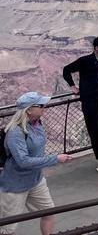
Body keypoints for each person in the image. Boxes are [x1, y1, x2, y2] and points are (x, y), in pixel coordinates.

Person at [0, 93, 71, 235]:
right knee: (7, 229)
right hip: (15, 186)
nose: (45, 107)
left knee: (49, 213)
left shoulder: (37, 123)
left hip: (36, 180)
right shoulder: (15, 132)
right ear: (29, 110)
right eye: (41, 105)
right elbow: (23, 161)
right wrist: (55, 159)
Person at [61, 36, 98, 174]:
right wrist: (73, 86)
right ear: (96, 48)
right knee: (94, 131)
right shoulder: (84, 61)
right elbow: (66, 70)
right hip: (89, 103)